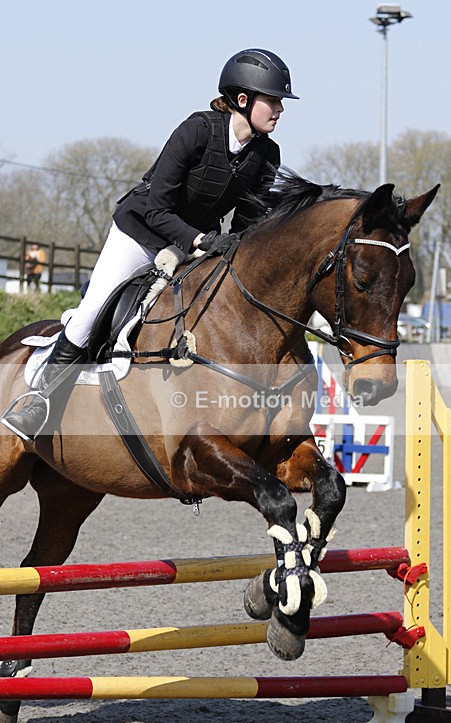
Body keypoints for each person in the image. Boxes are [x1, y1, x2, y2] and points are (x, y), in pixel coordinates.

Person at [1, 48, 298, 441]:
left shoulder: (267, 154)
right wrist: (201, 240)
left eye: (280, 102)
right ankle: (37, 400)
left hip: (194, 246)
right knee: (93, 313)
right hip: (140, 233)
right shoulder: (196, 130)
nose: (280, 109)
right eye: (273, 100)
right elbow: (158, 210)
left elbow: (245, 223)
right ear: (242, 100)